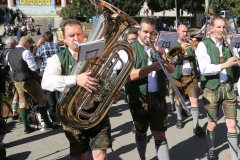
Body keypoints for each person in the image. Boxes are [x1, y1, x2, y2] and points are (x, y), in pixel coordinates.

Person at [41, 19, 121, 160]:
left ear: (84, 36)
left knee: (101, 155)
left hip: (97, 112)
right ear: (64, 39)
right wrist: (75, 79)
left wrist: (110, 91)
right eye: (71, 36)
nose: (76, 38)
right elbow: (46, 82)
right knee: (81, 156)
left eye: (78, 34)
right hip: (73, 115)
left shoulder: (97, 55)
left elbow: (107, 78)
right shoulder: (57, 58)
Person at [125, 17, 174, 160]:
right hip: (139, 96)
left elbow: (171, 70)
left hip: (158, 95)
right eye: (145, 32)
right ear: (139, 31)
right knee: (141, 132)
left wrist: (163, 54)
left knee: (160, 133)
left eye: (152, 32)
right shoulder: (130, 49)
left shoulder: (159, 47)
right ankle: (142, 157)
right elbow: (128, 76)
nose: (148, 35)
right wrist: (151, 68)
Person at [195, 15, 238, 160]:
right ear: (211, 28)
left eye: (223, 27)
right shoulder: (203, 45)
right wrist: (224, 65)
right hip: (211, 89)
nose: (222, 30)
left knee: (232, 123)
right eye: (218, 27)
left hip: (228, 88)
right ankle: (211, 148)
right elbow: (204, 69)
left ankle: (234, 155)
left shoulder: (228, 44)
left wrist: (234, 52)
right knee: (212, 123)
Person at [7, 36, 56, 134]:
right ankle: (47, 123)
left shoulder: (9, 53)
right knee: (42, 100)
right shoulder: (25, 52)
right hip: (29, 80)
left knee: (23, 102)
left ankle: (26, 127)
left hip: (17, 80)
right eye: (30, 46)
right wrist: (38, 61)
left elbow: (11, 69)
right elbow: (33, 68)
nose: (29, 48)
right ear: (27, 44)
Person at [170, 24, 205, 136]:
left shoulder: (190, 43)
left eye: (187, 31)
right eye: (183, 31)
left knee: (194, 100)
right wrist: (181, 50)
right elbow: (171, 61)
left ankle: (196, 126)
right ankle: (179, 118)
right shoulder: (172, 44)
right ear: (177, 31)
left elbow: (199, 57)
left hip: (192, 75)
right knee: (178, 99)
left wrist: (196, 48)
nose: (185, 34)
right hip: (178, 76)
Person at [36, 31, 61, 119]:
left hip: (46, 72)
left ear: (44, 39)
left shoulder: (41, 49)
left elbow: (38, 62)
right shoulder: (57, 48)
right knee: (57, 91)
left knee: (49, 92)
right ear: (51, 38)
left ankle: (52, 112)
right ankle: (59, 110)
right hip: (56, 71)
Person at [4, 37, 19, 120]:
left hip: (7, 75)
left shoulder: (4, 52)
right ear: (12, 43)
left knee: (13, 93)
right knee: (17, 93)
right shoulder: (12, 52)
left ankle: (14, 111)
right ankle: (14, 112)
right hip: (13, 75)